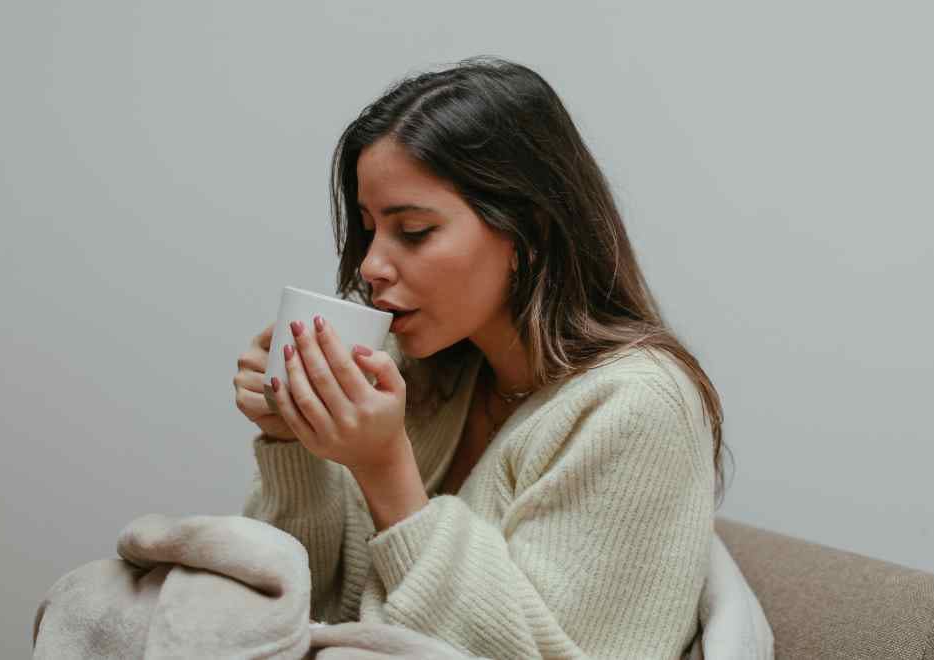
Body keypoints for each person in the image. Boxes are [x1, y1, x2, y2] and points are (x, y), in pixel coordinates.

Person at [232, 55, 731, 659]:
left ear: (528, 234)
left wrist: (387, 473)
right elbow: (287, 618)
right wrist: (297, 445)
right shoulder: (421, 370)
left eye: (412, 231)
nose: (369, 266)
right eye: (368, 230)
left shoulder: (640, 407)